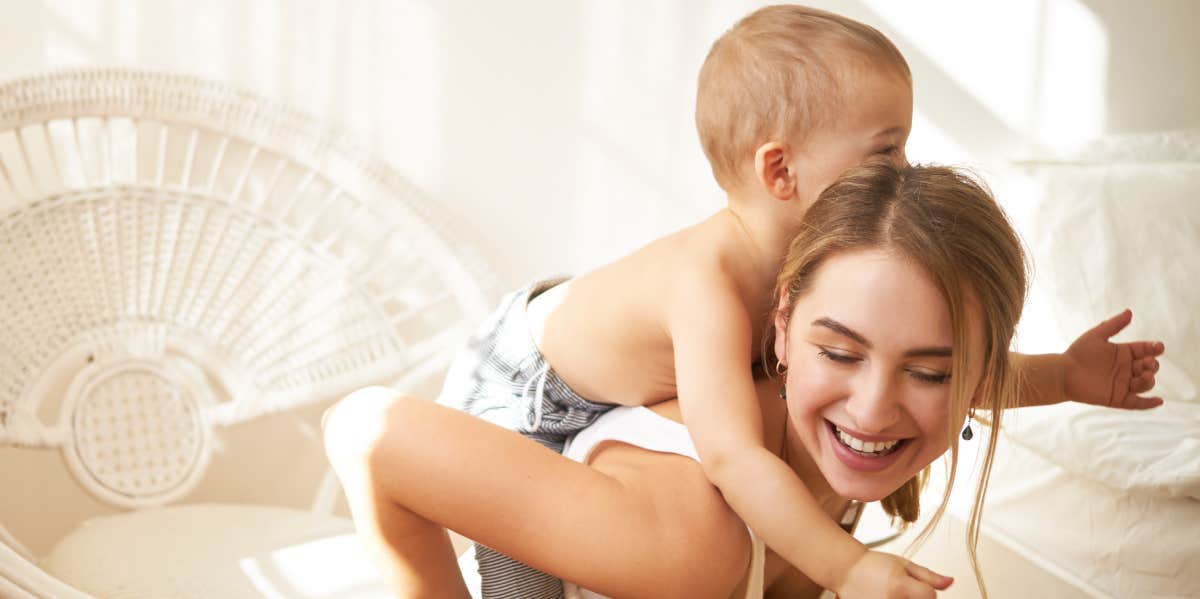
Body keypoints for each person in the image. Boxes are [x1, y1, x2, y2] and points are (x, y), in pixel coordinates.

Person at [328, 5, 1165, 598]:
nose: (905, 171)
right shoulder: (712, 287)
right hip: (519, 392)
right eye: (887, 148)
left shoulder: (810, 266)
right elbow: (733, 456)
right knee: (516, 583)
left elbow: (943, 365)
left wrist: (1064, 375)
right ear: (780, 171)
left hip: (589, 385)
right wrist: (847, 568)